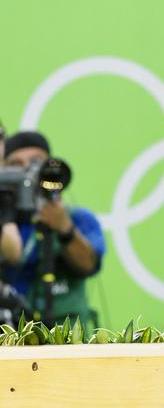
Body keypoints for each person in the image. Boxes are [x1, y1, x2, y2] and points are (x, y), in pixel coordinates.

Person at [0, 131, 105, 329]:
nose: (26, 172)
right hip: (10, 337)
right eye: (16, 165)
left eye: (35, 162)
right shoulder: (5, 224)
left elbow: (89, 265)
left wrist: (64, 228)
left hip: (66, 336)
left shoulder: (78, 218)